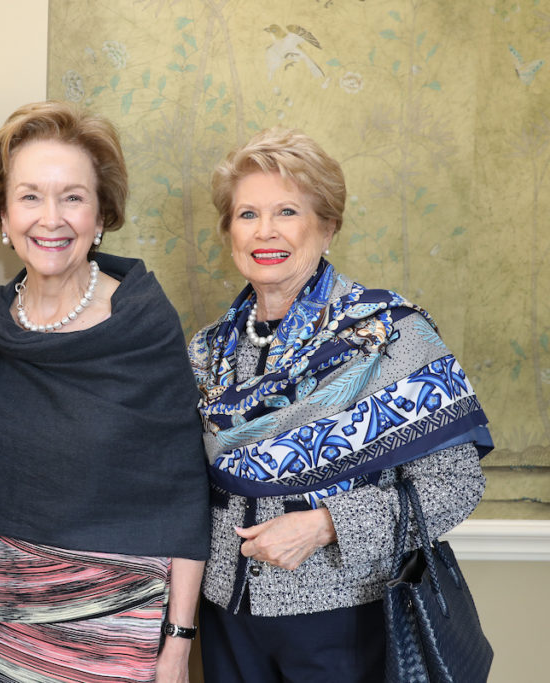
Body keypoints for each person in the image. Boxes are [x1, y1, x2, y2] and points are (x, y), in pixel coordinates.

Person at [0, 102, 210, 683]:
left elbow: (182, 499)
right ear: (3, 215)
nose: (51, 218)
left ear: (101, 216)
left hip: (116, 629)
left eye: (72, 197)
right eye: (30, 196)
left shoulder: (143, 326)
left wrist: (177, 645)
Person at [188, 127, 492, 682]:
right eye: (247, 214)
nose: (266, 231)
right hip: (228, 614)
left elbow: (456, 485)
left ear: (327, 227)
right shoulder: (207, 351)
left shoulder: (393, 335)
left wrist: (326, 525)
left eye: (287, 212)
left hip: (346, 617)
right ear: (229, 231)